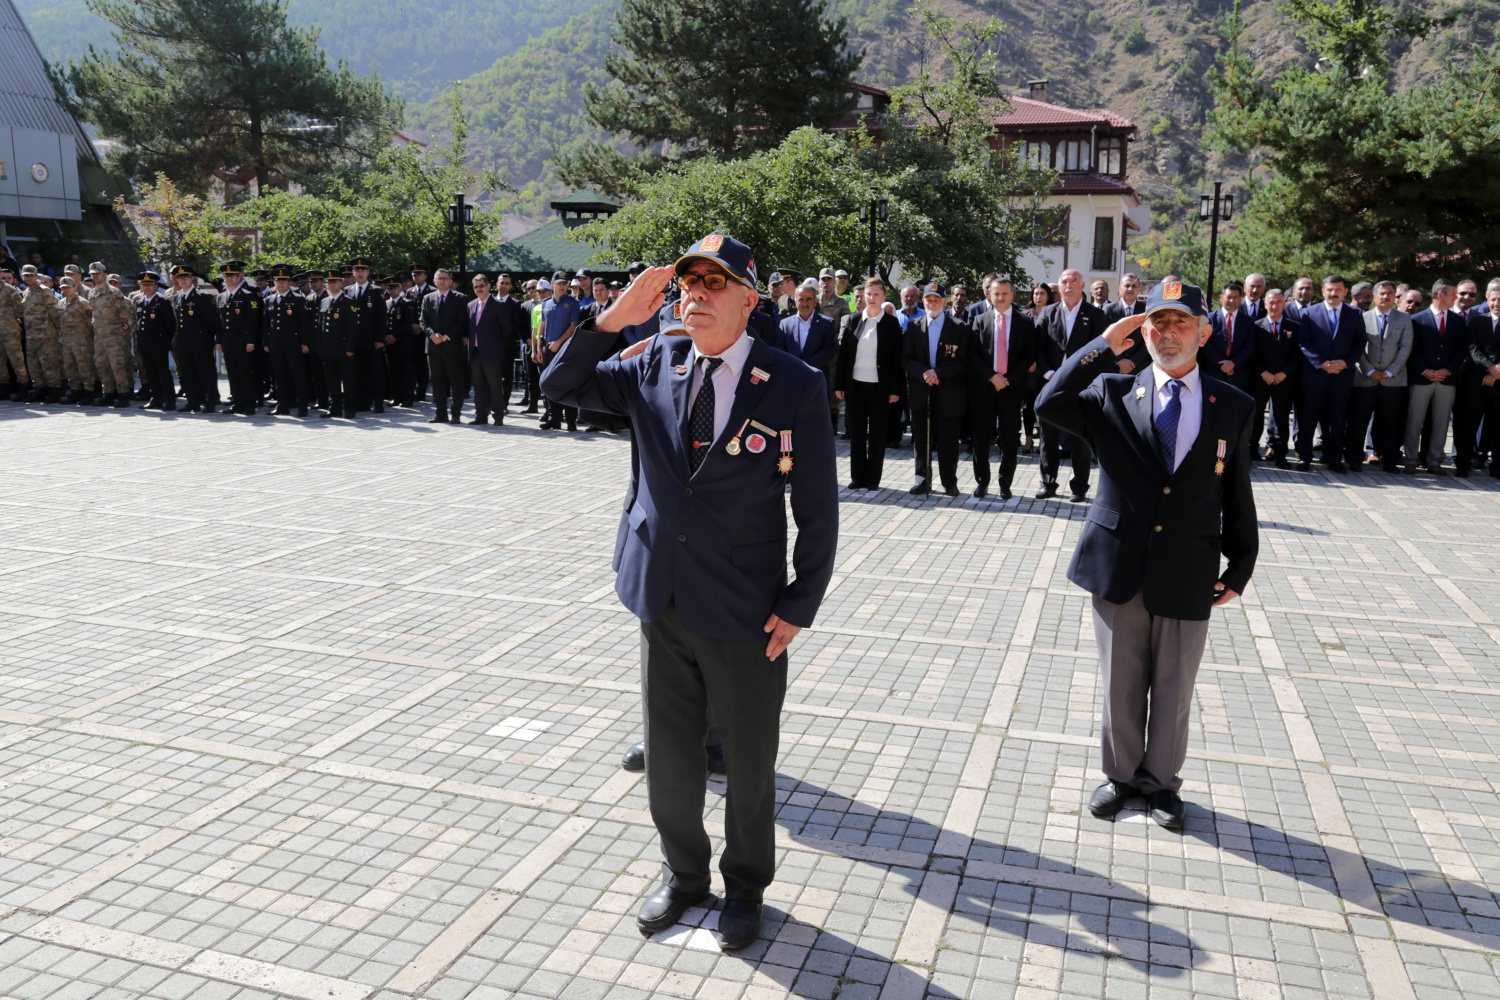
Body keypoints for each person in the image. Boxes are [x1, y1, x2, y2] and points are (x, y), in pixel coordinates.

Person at [539, 233, 838, 951]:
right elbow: (558, 388)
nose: (695, 295)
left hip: (745, 605)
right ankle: (683, 875)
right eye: (686, 284)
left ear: (748, 298)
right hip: (662, 596)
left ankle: (745, 887)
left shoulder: (792, 381)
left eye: (714, 283)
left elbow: (818, 505)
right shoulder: (653, 362)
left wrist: (801, 603)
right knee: (671, 755)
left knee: (749, 760)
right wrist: (610, 320)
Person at [1035, 279, 1257, 831]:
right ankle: (1121, 776)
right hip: (1119, 561)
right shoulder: (1113, 391)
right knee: (1120, 680)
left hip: (1189, 564)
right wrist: (1103, 345)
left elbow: (1237, 491)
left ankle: (1161, 784)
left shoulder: (1233, 404)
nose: (1168, 333)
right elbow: (1048, 402)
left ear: (1204, 333)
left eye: (1181, 322)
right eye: (1158, 322)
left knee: (1176, 684)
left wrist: (1241, 566)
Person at [1036, 268, 1108, 500]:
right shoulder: (1048, 312)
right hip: (1051, 382)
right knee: (1048, 436)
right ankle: (1048, 483)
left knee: (1080, 437)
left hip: (1081, 385)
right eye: (1065, 281)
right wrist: (1048, 373)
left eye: (1074, 281)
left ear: (1082, 285)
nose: (1069, 285)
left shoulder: (1094, 315)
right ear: (1059, 286)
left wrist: (1082, 376)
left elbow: (1099, 351)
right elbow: (1038, 347)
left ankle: (1079, 486)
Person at [968, 275, 1036, 500]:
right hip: (985, 387)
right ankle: (982, 482)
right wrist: (992, 377)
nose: (1000, 297)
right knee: (981, 437)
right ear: (989, 295)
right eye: (996, 293)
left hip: (1011, 387)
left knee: (1009, 438)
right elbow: (974, 355)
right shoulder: (980, 320)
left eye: (1005, 293)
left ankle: (1005, 483)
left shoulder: (1024, 322)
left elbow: (1029, 355)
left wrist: (1008, 379)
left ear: (1012, 295)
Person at [902, 280, 971, 496]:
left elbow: (963, 360)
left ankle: (949, 481)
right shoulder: (913, 327)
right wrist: (925, 373)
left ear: (945, 301)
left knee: (949, 439)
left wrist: (938, 373)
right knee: (921, 438)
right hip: (922, 390)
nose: (932, 302)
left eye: (937, 299)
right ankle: (922, 479)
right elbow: (906, 358)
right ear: (923, 301)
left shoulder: (959, 327)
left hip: (948, 389)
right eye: (928, 299)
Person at [835, 277, 903, 490]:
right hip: (855, 386)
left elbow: (896, 361)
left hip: (880, 388)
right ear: (862, 296)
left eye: (876, 294)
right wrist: (840, 384)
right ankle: (857, 477)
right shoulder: (853, 320)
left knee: (877, 434)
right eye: (868, 294)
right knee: (856, 433)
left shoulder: (891, 324)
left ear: (884, 297)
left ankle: (873, 478)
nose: (871, 298)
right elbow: (843, 355)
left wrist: (895, 389)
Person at [1295, 275, 1364, 472]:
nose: (1333, 294)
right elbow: (1304, 342)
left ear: (1345, 292)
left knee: (1338, 419)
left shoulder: (1355, 314)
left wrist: (1346, 362)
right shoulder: (1309, 313)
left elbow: (1360, 342)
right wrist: (1321, 363)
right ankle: (1305, 457)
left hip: (1341, 376)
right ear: (1323, 291)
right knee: (1308, 418)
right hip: (1315, 376)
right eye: (1329, 290)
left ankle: (1334, 458)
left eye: (1337, 290)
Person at [1346, 280, 1412, 471]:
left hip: (1394, 380)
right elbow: (1357, 347)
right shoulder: (1361, 317)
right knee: (1358, 421)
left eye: (1390, 293)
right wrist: (1370, 370)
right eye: (1381, 293)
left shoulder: (1404, 319)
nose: (1385, 297)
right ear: (1374, 296)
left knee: (1391, 422)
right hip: (1366, 378)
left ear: (1395, 297)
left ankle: (1389, 460)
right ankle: (1355, 459)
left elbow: (1405, 347)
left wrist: (1390, 371)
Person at [1251, 289, 1300, 467]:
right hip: (1260, 380)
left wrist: (1284, 373)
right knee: (1256, 418)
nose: (1274, 305)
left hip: (1283, 381)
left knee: (1281, 418)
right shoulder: (1256, 326)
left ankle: (1280, 454)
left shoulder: (1294, 327)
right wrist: (1262, 372)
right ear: (1265, 304)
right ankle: (1252, 450)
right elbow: (1252, 353)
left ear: (1285, 304)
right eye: (1271, 302)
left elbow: (1297, 355)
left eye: (1278, 302)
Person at [466, 272, 522, 426]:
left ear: (489, 286)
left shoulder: (498, 305)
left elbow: (506, 329)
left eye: (481, 286)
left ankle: (498, 416)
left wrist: (497, 347)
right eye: (476, 287)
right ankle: (481, 416)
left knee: (495, 386)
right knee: (478, 386)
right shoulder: (470, 305)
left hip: (493, 353)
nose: (479, 289)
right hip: (475, 352)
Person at [1456, 280, 1499, 478]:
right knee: (1468, 424)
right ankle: (1463, 463)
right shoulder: (1476, 321)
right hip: (1476, 382)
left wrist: (1498, 372)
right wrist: (1490, 369)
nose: (1496, 303)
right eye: (1493, 300)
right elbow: (1472, 348)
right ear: (1487, 300)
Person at [263, 264, 313, 417]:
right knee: (279, 377)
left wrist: (305, 343)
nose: (281, 284)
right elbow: (266, 324)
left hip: (293, 345)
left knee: (298, 376)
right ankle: (282, 405)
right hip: (275, 345)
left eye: (284, 281)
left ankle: (302, 406)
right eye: (278, 281)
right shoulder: (269, 300)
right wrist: (266, 342)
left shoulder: (297, 299)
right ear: (274, 282)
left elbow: (305, 324)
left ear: (289, 282)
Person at [172, 266, 223, 413]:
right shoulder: (177, 296)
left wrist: (213, 340)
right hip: (184, 342)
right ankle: (193, 401)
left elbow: (212, 322)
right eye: (179, 278)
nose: (182, 280)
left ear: (192, 279)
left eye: (186, 277)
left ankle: (211, 401)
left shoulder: (203, 296)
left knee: (206, 373)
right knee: (188, 374)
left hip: (201, 342)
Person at [420, 268, 469, 424]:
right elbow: (423, 321)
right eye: (439, 278)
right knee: (437, 382)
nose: (442, 281)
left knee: (456, 382)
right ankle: (440, 414)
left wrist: (446, 337)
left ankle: (456, 414)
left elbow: (461, 321)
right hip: (433, 346)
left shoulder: (460, 298)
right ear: (434, 281)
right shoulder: (427, 298)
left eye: (445, 278)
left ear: (450, 281)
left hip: (452, 346)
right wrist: (432, 335)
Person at [217, 261, 264, 415]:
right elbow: (220, 322)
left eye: (232, 276)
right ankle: (237, 403)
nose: (229, 278)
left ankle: (249, 405)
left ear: (239, 277)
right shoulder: (222, 296)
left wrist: (251, 341)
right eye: (226, 276)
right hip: (228, 342)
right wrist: (218, 341)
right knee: (233, 374)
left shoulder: (247, 295)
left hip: (243, 343)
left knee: (245, 374)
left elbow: (253, 321)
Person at [538, 275, 582, 430]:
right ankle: (554, 418)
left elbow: (573, 326)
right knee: (549, 383)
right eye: (559, 283)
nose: (562, 286)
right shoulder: (546, 303)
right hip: (548, 349)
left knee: (567, 383)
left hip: (565, 349)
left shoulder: (572, 304)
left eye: (565, 283)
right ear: (552, 285)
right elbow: (541, 326)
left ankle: (570, 420)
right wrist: (538, 348)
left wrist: (559, 342)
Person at [774, 284, 837, 393]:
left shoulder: (827, 323)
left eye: (809, 299)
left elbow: (828, 350)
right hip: (791, 379)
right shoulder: (785, 324)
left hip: (816, 379)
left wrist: (804, 365)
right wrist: (793, 365)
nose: (804, 303)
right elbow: (779, 348)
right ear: (795, 301)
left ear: (815, 301)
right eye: (801, 299)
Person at [87, 262, 132, 408]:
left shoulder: (114, 292)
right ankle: (108, 393)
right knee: (101, 365)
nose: (95, 276)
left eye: (98, 273)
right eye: (93, 274)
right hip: (99, 336)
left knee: (117, 365)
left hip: (113, 335)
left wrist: (121, 325)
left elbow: (124, 311)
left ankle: (123, 394)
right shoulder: (91, 293)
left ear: (105, 274)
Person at [345, 258, 387, 414]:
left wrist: (380, 339)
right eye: (357, 270)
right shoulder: (348, 290)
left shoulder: (376, 291)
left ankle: (378, 403)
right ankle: (362, 402)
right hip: (354, 341)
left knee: (375, 373)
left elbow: (382, 317)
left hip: (371, 340)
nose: (360, 273)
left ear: (368, 272)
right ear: (353, 272)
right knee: (357, 372)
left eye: (363, 270)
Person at [133, 271, 177, 411]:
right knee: (150, 373)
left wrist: (164, 340)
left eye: (150, 285)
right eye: (144, 284)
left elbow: (170, 325)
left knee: (163, 372)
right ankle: (155, 398)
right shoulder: (139, 301)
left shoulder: (162, 302)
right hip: (145, 344)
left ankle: (170, 400)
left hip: (159, 344)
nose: (146, 287)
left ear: (156, 286)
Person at [1202, 280, 1255, 393]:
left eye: (1235, 297)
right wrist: (1222, 364)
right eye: (1228, 297)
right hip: (1214, 373)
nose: (1232, 300)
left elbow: (1249, 347)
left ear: (1241, 299)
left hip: (1238, 375)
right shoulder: (1209, 319)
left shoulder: (1248, 322)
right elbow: (1206, 344)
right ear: (1221, 298)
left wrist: (1233, 363)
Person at [20, 265, 62, 403]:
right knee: (34, 364)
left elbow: (54, 311)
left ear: (36, 276)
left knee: (49, 363)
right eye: (26, 275)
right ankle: (40, 389)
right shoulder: (26, 292)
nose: (29, 278)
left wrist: (57, 329)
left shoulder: (44, 291)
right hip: (31, 335)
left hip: (46, 334)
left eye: (31, 275)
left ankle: (55, 389)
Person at [55, 277, 95, 405]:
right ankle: (75, 391)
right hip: (66, 342)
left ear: (74, 287)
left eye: (68, 287)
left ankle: (89, 392)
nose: (66, 290)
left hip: (81, 342)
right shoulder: (61, 303)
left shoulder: (83, 303)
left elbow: (90, 322)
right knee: (70, 369)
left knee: (85, 369)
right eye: (63, 288)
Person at [0, 265, 26, 400]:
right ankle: (3, 386)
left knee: (17, 360)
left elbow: (20, 307)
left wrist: (14, 318)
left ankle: (24, 386)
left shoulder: (9, 289)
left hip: (10, 330)